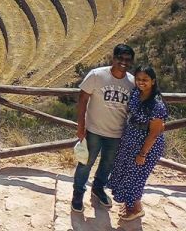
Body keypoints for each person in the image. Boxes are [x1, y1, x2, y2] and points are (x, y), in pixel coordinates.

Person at [71, 44, 136, 213]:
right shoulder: (97, 75)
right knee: (85, 163)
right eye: (120, 58)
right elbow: (83, 100)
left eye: (127, 60)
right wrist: (81, 126)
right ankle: (78, 193)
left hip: (116, 133)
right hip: (93, 130)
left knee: (107, 164)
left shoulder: (132, 82)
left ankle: (98, 188)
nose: (123, 62)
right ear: (113, 58)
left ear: (131, 62)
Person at [106, 65, 168, 222]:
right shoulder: (136, 94)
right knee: (126, 172)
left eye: (145, 80)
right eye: (138, 79)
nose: (141, 82)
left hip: (146, 146)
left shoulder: (157, 105)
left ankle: (137, 209)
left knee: (136, 176)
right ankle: (130, 204)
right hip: (130, 139)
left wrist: (142, 154)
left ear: (153, 81)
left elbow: (154, 133)